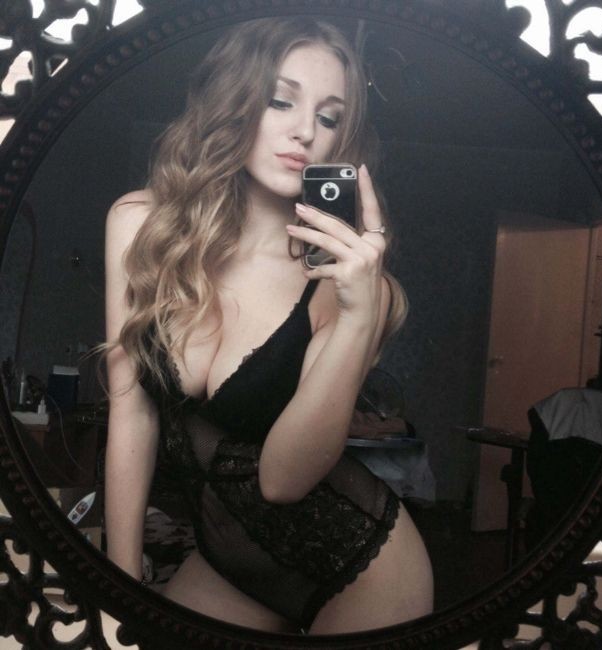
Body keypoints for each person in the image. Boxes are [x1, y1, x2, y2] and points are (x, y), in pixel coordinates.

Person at [103, 16, 433, 635]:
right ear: (234, 101)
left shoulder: (348, 287)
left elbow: (282, 481)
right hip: (229, 559)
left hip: (357, 569)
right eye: (281, 101)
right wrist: (119, 587)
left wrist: (360, 316)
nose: (305, 131)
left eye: (329, 117)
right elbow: (132, 413)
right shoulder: (142, 226)